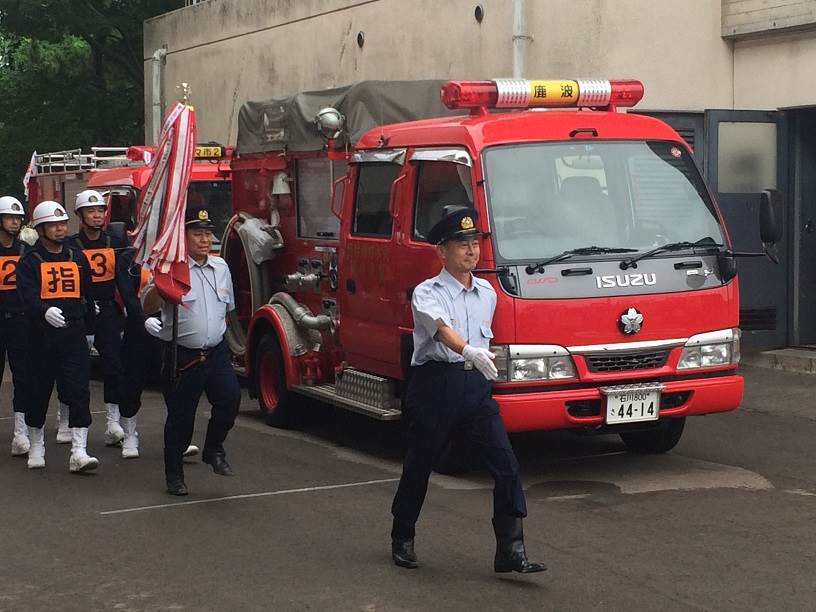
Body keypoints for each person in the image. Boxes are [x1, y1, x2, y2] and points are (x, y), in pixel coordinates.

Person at [390, 205, 546, 574]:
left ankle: (511, 549)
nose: (471, 250)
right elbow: (441, 329)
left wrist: (479, 360)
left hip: (474, 386)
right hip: (436, 385)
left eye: (474, 242)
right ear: (442, 251)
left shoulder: (487, 293)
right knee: (420, 464)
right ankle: (402, 535)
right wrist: (469, 350)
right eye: (461, 244)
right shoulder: (427, 293)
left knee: (506, 463)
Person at [142, 205, 240, 496]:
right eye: (197, 234)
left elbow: (228, 308)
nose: (205, 239)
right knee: (181, 419)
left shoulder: (221, 267)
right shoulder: (171, 269)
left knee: (231, 399)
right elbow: (147, 307)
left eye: (208, 233)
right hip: (184, 355)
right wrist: (159, 287)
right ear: (183, 238)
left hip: (216, 351)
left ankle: (213, 448)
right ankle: (174, 474)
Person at [16, 200, 98, 471]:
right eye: (53, 225)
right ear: (40, 229)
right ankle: (36, 444)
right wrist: (42, 310)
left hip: (72, 334)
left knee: (78, 390)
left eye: (63, 224)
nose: (60, 229)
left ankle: (79, 450)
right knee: (37, 391)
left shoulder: (77, 256)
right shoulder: (29, 261)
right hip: (39, 336)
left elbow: (87, 293)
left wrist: (90, 330)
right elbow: (25, 296)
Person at [60, 189, 131, 448]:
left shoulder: (115, 242)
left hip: (108, 310)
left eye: (100, 210)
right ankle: (66, 414)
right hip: (79, 311)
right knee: (73, 368)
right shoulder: (70, 246)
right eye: (91, 211)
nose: (97, 215)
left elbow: (124, 278)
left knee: (113, 363)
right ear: (80, 215)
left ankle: (113, 420)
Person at [116, 249, 201, 460]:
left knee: (173, 383)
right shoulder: (128, 259)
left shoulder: (174, 255)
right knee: (133, 381)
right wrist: (143, 318)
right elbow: (128, 295)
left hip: (169, 325)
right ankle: (129, 434)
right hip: (139, 326)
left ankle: (179, 437)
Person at [0, 196, 31, 456]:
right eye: (10, 217)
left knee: (23, 376)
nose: (15, 222)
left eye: (18, 217)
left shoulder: (25, 250)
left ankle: (21, 432)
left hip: (20, 321)